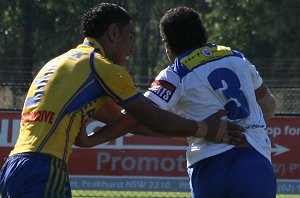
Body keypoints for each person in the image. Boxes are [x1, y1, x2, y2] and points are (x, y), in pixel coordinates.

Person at [0, 3, 245, 197]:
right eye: (130, 37)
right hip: (43, 169)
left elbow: (129, 122)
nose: (132, 48)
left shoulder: (60, 63)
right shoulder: (101, 67)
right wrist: (204, 129)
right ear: (113, 33)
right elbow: (152, 116)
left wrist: (192, 134)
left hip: (14, 167)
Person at [76, 6, 277, 198]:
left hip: (209, 166)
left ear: (167, 44)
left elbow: (137, 115)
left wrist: (93, 139)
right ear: (202, 33)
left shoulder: (176, 73)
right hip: (253, 160)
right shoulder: (237, 58)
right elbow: (269, 107)